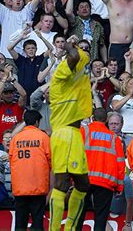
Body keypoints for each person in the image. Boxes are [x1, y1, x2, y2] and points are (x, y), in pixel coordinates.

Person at [48, 35, 92, 230]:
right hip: (64, 133)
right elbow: (73, 56)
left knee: (83, 185)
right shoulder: (59, 75)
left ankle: (71, 227)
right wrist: (67, 44)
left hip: (75, 133)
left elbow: (80, 57)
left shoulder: (75, 76)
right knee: (62, 184)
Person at [76, 107, 125, 231]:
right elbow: (120, 163)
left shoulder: (83, 131)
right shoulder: (114, 138)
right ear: (107, 120)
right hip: (105, 183)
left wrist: (73, 179)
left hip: (84, 179)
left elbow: (75, 155)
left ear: (92, 117)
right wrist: (119, 186)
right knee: (101, 218)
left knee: (78, 215)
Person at [9, 109, 51, 230]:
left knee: (20, 223)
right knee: (38, 222)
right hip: (38, 186)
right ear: (37, 122)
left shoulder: (16, 138)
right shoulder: (43, 137)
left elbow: (11, 159)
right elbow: (50, 160)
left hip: (20, 187)